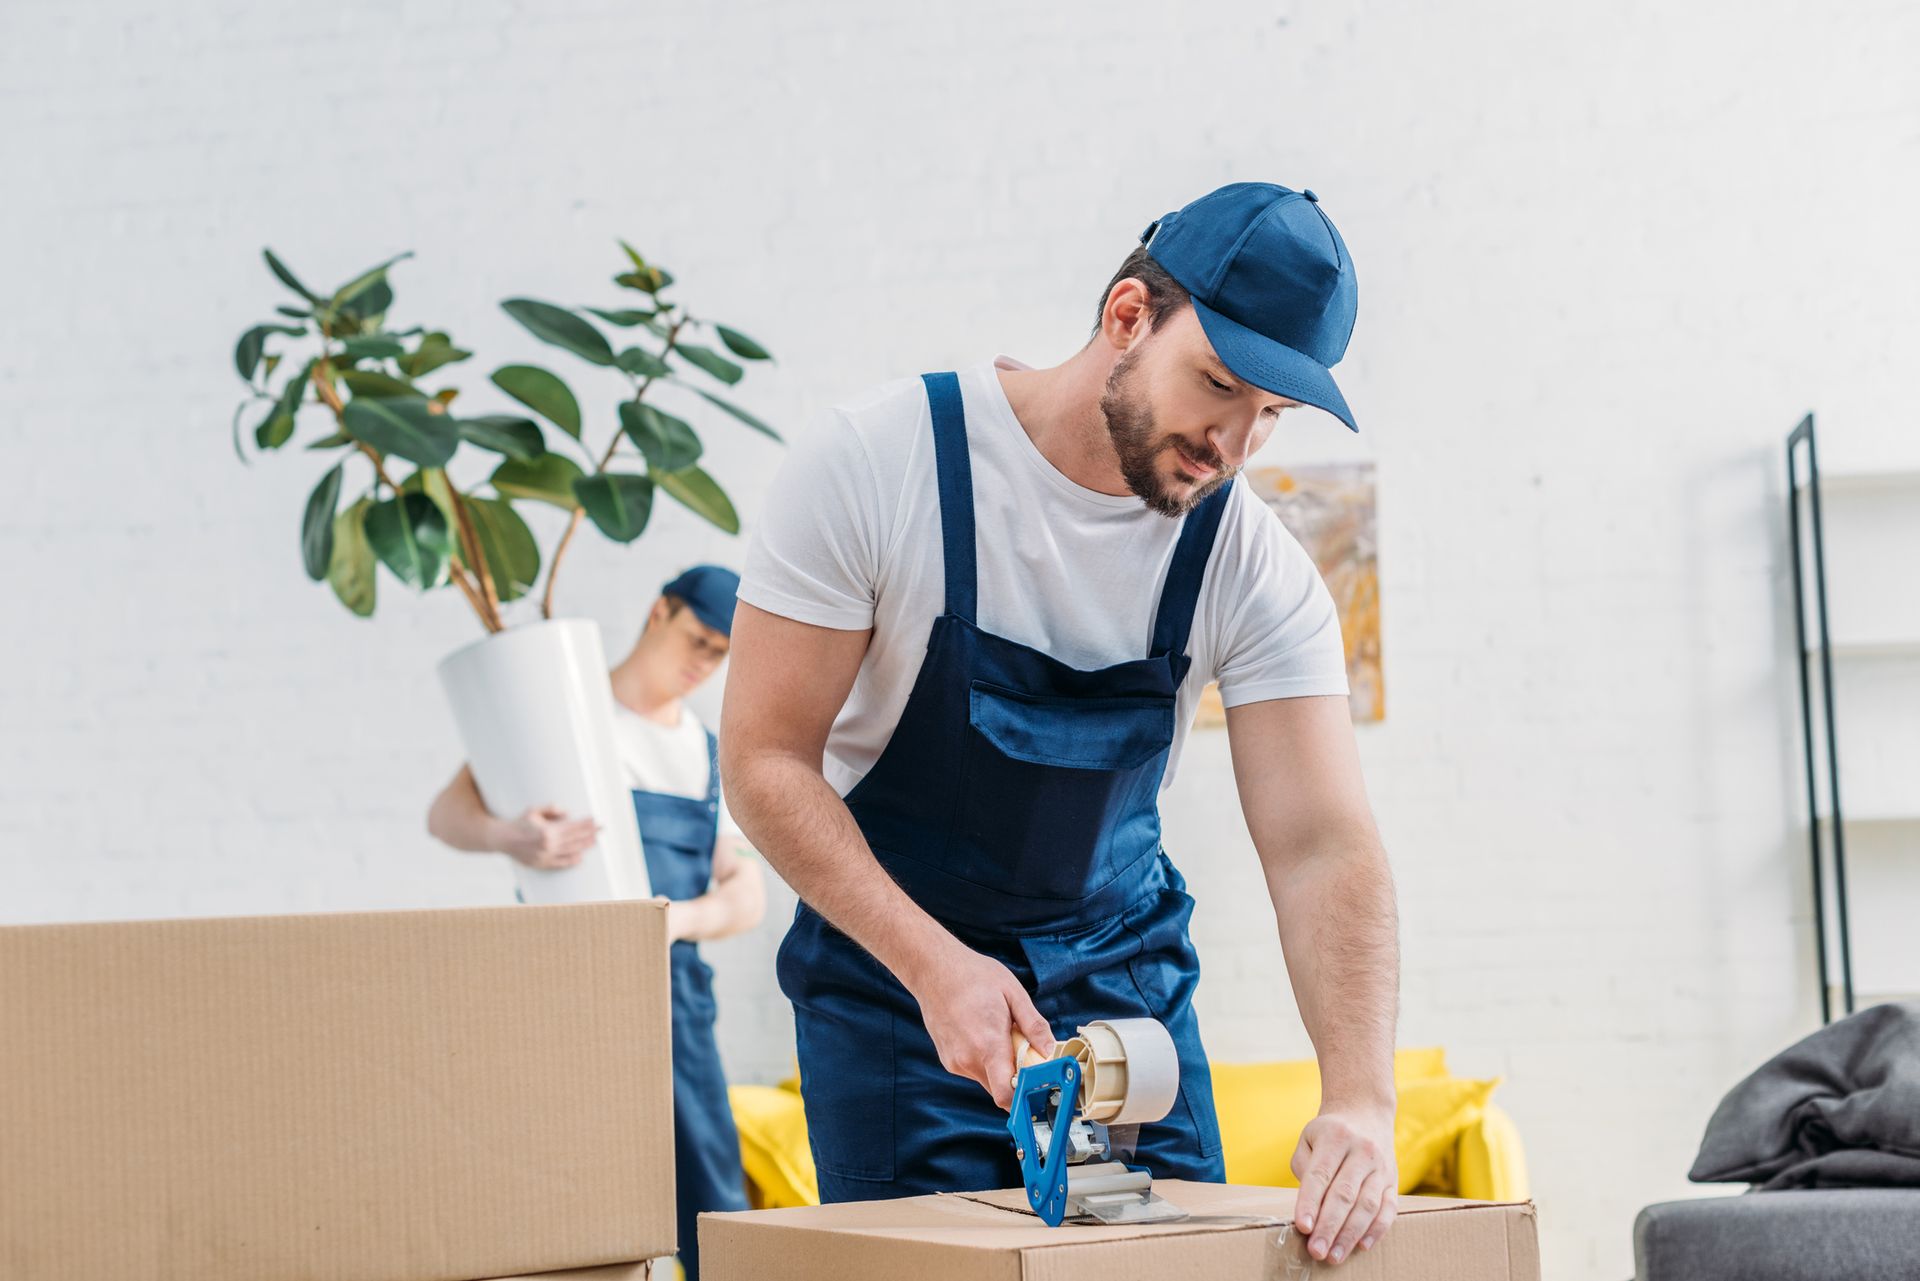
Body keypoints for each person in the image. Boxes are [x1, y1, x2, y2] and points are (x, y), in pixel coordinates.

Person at [720, 182, 1400, 1266]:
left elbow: (1322, 845)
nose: (1231, 444)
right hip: (902, 989)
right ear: (1127, 316)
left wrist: (1362, 1097)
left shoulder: (1247, 560)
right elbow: (762, 762)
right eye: (1217, 385)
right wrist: (936, 968)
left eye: (1270, 415)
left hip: (1124, 997)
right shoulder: (877, 464)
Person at [426, 564, 764, 1281]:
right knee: (560, 1181)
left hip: (671, 994)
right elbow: (445, 814)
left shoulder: (708, 753)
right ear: (657, 611)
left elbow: (746, 893)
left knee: (707, 1186)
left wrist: (674, 921)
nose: (703, 664)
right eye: (698, 639)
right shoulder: (564, 715)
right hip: (554, 987)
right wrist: (510, 835)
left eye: (719, 653)